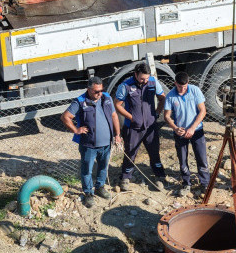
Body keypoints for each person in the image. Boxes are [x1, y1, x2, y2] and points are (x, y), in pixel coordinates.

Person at [61, 76, 121, 208]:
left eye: (101, 90)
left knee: (103, 167)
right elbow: (65, 117)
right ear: (88, 89)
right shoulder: (80, 102)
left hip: (106, 144)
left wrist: (117, 134)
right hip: (89, 145)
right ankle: (88, 193)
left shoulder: (106, 98)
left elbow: (114, 116)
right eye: (96, 91)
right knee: (87, 170)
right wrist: (76, 130)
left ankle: (100, 187)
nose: (99, 94)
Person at [115, 63, 167, 191]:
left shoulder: (153, 82)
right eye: (142, 78)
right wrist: (131, 118)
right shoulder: (125, 86)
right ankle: (126, 177)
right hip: (132, 128)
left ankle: (160, 177)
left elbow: (162, 98)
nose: (145, 81)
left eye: (147, 78)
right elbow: (117, 105)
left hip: (150, 127)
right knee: (130, 153)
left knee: (154, 152)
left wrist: (157, 113)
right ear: (135, 75)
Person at [163, 72, 209, 197]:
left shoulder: (195, 91)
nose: (182, 89)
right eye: (179, 87)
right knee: (182, 160)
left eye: (185, 86)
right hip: (180, 132)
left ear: (188, 83)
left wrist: (193, 128)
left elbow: (202, 111)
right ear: (175, 84)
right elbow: (166, 116)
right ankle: (186, 183)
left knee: (201, 158)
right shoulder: (170, 96)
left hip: (196, 130)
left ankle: (205, 183)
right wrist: (175, 128)